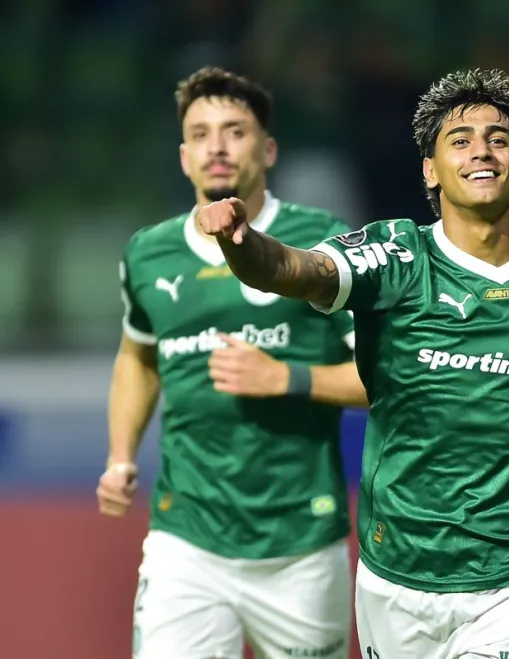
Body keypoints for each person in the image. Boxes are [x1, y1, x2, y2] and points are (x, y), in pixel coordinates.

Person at [196, 69, 509, 659]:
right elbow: (294, 269)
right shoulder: (394, 256)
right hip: (398, 570)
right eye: (460, 141)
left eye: (499, 139)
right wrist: (241, 243)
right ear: (431, 170)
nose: (481, 152)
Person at [95, 67, 367, 659]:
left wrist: (287, 377)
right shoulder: (148, 252)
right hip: (185, 540)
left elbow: (385, 377)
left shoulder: (324, 243)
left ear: (268, 151)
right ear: (184, 157)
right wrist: (120, 457)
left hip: (300, 543)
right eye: (200, 134)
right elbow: (138, 356)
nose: (216, 147)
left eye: (235, 131)